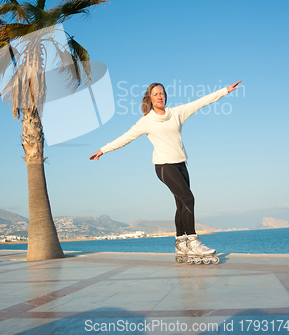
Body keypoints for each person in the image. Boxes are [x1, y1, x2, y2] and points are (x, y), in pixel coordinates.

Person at [90, 80, 241, 261]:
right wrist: (103, 150)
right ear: (150, 99)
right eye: (155, 94)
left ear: (165, 96)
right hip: (164, 167)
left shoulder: (176, 113)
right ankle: (193, 241)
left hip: (181, 165)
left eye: (162, 93)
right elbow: (125, 137)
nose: (159, 97)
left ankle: (181, 242)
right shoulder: (146, 121)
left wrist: (225, 90)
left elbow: (201, 102)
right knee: (188, 198)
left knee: (181, 204)